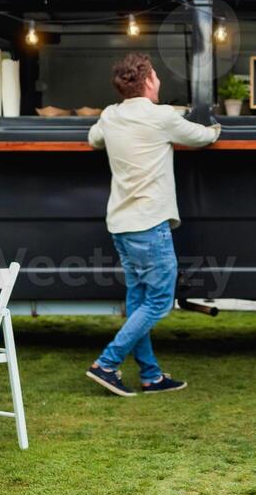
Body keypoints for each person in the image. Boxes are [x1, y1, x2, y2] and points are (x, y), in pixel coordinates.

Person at [84, 53, 221, 396]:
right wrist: (217, 126)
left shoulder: (111, 115)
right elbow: (203, 136)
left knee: (139, 301)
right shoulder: (161, 117)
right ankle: (107, 363)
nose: (159, 82)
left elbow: (93, 139)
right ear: (147, 81)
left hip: (121, 224)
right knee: (159, 301)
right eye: (156, 77)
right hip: (150, 224)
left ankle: (151, 376)